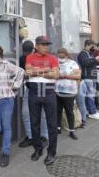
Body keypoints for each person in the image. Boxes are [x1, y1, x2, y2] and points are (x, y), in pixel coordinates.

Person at [25, 36, 59, 165]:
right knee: (34, 123)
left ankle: (51, 152)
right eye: (43, 44)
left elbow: (56, 75)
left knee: (52, 124)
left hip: (49, 91)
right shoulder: (30, 57)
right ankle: (38, 149)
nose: (46, 47)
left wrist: (37, 72)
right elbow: (28, 72)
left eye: (47, 44)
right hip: (34, 91)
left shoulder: (52, 58)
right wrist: (47, 70)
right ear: (37, 45)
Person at [19, 40, 49, 148]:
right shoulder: (22, 58)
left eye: (28, 52)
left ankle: (44, 136)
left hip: (42, 87)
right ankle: (30, 136)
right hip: (30, 88)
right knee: (25, 113)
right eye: (24, 52)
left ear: (33, 49)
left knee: (42, 114)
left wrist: (33, 73)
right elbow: (22, 74)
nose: (26, 54)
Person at [55, 48, 81, 140]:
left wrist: (65, 76)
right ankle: (58, 128)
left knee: (69, 112)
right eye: (59, 56)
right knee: (58, 110)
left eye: (63, 56)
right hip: (57, 91)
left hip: (70, 92)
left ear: (66, 55)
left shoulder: (72, 63)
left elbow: (78, 76)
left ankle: (71, 131)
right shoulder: (55, 62)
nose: (61, 58)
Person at [76, 39, 99, 121]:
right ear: (87, 45)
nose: (94, 48)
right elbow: (85, 63)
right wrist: (95, 59)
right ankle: (92, 112)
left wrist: (96, 60)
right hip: (87, 77)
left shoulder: (89, 53)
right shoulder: (82, 54)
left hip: (92, 77)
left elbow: (91, 63)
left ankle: (90, 110)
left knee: (91, 95)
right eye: (92, 46)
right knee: (90, 95)